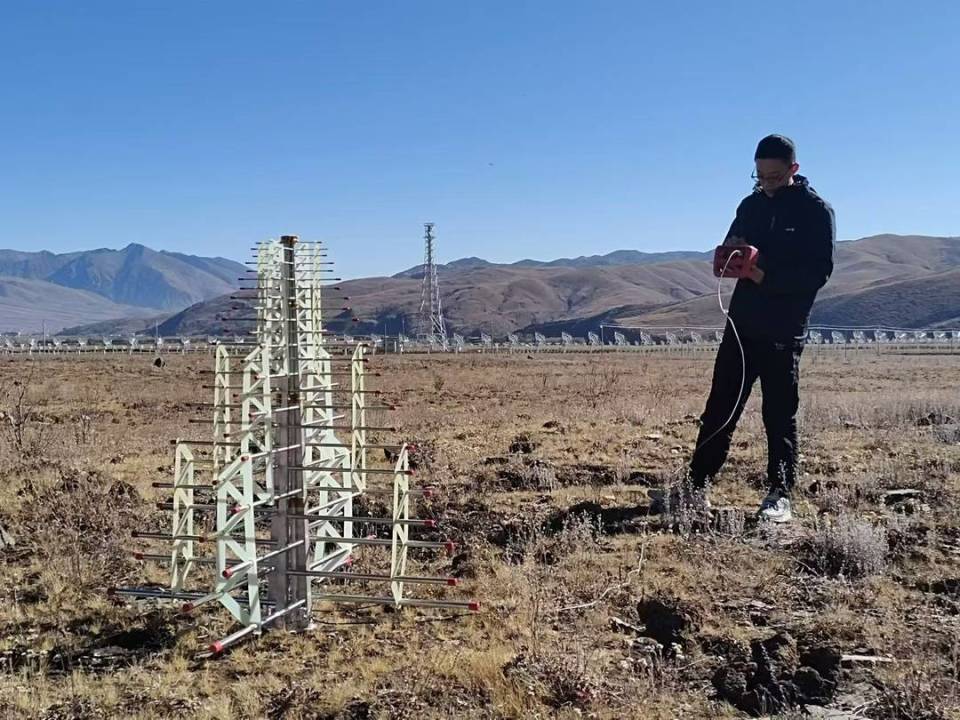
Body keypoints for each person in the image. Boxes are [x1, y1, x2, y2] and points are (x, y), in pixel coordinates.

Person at [683, 134, 835, 523]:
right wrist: (732, 251)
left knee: (779, 413)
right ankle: (695, 485)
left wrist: (766, 274)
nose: (765, 182)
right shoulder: (748, 206)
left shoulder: (815, 211)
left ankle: (779, 493)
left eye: (773, 175)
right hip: (742, 324)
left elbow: (817, 273)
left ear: (793, 170)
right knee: (720, 407)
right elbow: (733, 248)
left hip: (784, 328)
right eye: (760, 175)